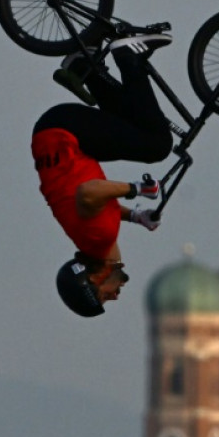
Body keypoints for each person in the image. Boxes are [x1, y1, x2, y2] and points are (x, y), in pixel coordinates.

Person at [32, 34, 174, 318]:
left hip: (65, 133)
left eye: (103, 296)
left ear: (94, 279)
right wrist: (135, 216)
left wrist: (136, 188)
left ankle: (127, 56)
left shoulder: (98, 238)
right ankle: (84, 67)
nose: (115, 296)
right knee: (133, 126)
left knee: (157, 145)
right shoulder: (95, 239)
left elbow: (89, 192)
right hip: (58, 134)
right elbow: (98, 206)